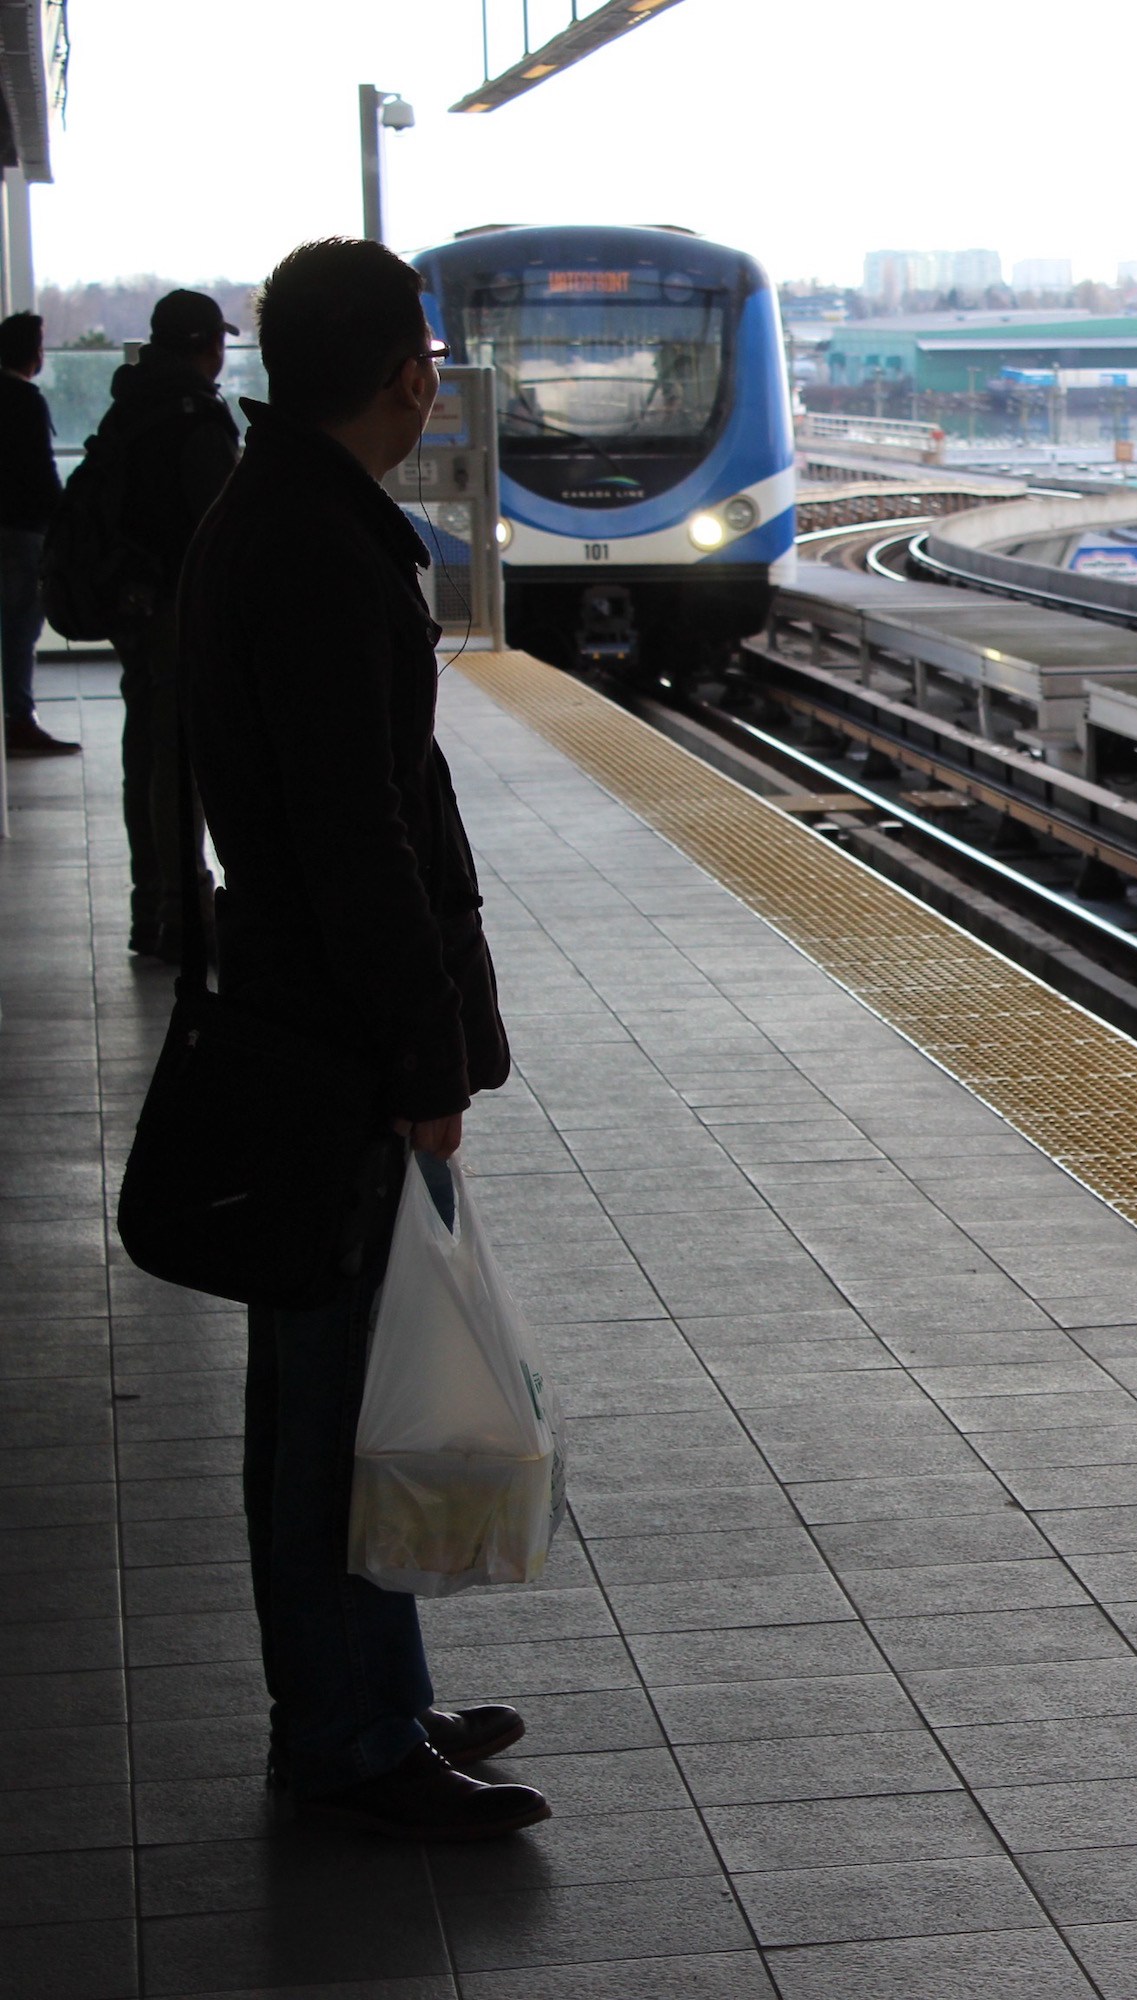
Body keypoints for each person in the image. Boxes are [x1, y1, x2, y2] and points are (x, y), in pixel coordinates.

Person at [181, 239, 541, 1841]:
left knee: (336, 1385)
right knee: (330, 1402)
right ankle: (346, 1739)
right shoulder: (320, 549)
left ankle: (371, 1697)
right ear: (411, 374)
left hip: (299, 1011)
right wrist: (421, 1055)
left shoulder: (278, 517)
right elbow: (355, 836)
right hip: (330, 1038)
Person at [101, 289, 241, 956]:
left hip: (133, 599)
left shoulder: (130, 402)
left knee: (146, 757)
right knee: (180, 762)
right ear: (206, 346)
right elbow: (218, 524)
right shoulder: (194, 414)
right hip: (175, 606)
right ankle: (186, 912)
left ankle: (151, 907)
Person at [0, 311, 72, 758]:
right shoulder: (26, 400)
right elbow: (40, 471)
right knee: (22, 626)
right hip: (24, 530)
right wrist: (65, 518)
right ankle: (19, 719)